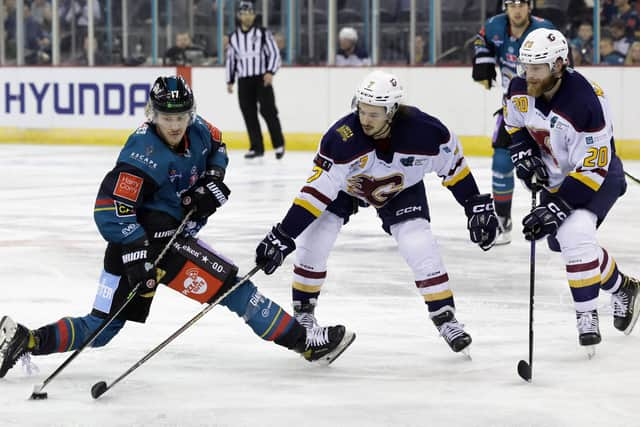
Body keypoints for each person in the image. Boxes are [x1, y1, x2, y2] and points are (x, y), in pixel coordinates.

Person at [0, 76, 355, 379]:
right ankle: (305, 343)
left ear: (191, 112)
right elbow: (110, 209)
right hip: (151, 244)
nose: (175, 124)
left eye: (182, 115)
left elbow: (219, 145)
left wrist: (212, 179)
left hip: (162, 241)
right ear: (151, 115)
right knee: (234, 290)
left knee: (103, 328)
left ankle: (25, 339)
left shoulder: (200, 130)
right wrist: (137, 256)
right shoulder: (142, 153)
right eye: (166, 117)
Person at [253, 70, 499, 355]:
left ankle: (445, 318)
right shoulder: (341, 138)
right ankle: (304, 312)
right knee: (316, 235)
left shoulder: (427, 132)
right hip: (347, 189)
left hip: (401, 189)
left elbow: (454, 170)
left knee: (417, 241)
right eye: (362, 110)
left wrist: (473, 204)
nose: (365, 120)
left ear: (392, 111)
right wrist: (284, 234)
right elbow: (315, 194)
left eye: (374, 114)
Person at [505, 28, 639, 353]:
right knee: (565, 242)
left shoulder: (586, 101)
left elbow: (593, 169)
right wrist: (524, 156)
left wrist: (558, 206)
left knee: (575, 233)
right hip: (557, 177)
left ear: (559, 64)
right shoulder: (519, 88)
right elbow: (514, 125)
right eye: (526, 67)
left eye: (537, 68)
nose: (529, 75)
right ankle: (623, 287)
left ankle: (586, 315)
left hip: (599, 175)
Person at [472, 0, 555, 245]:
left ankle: (553, 214)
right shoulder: (494, 25)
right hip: (512, 106)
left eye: (522, 4)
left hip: (544, 108)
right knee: (500, 160)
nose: (517, 9)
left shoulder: (544, 28)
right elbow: (480, 39)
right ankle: (502, 220)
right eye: (512, 4)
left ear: (530, 7)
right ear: (505, 7)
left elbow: (563, 59)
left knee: (551, 167)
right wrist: (483, 61)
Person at [225, 0, 286, 160]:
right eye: (244, 13)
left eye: (249, 13)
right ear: (239, 16)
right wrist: (230, 80)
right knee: (248, 113)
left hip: (262, 78)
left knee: (268, 110)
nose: (247, 16)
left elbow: (274, 54)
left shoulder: (263, 33)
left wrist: (270, 72)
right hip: (244, 79)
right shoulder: (234, 37)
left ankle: (279, 144)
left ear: (254, 15)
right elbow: (232, 59)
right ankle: (256, 147)